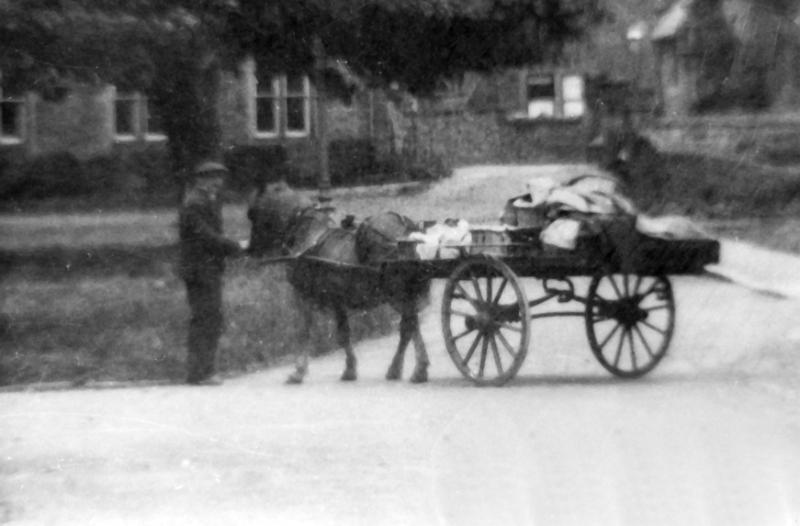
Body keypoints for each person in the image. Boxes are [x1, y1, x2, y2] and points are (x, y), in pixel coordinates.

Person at [178, 161, 243, 385]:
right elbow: (207, 237)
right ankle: (200, 373)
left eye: (220, 178)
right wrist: (236, 247)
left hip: (204, 268)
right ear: (200, 180)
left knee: (209, 318)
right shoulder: (196, 203)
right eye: (213, 178)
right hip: (200, 270)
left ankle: (202, 370)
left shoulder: (204, 200)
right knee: (206, 319)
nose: (219, 182)